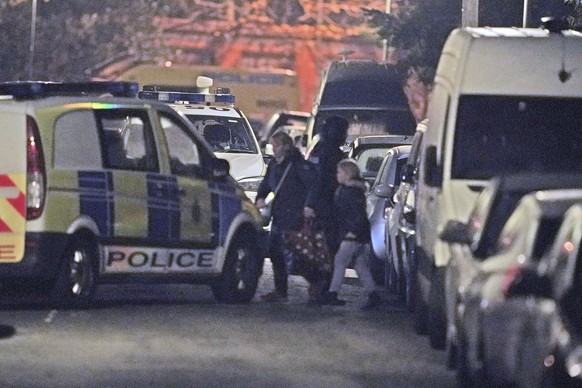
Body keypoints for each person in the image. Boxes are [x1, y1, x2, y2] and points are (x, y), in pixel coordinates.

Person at [255, 131, 315, 302]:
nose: (273, 149)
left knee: (297, 252)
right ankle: (281, 291)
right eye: (272, 145)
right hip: (279, 214)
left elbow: (312, 185)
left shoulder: (297, 165)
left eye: (277, 145)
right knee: (275, 252)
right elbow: (266, 183)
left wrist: (308, 205)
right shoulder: (274, 164)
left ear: (286, 147)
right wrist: (260, 197)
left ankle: (316, 282)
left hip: (294, 215)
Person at [318, 159, 381, 310]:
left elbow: (355, 214)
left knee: (340, 261)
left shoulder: (349, 192)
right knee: (360, 266)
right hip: (358, 234)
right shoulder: (354, 191)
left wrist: (352, 232)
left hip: (352, 234)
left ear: (347, 174)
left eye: (339, 172)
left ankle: (332, 293)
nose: (337, 175)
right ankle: (373, 294)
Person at [304, 116, 349, 256]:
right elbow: (318, 180)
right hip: (325, 206)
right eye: (344, 131)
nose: (346, 135)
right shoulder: (330, 153)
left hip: (323, 205)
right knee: (326, 247)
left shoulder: (320, 149)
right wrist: (310, 204)